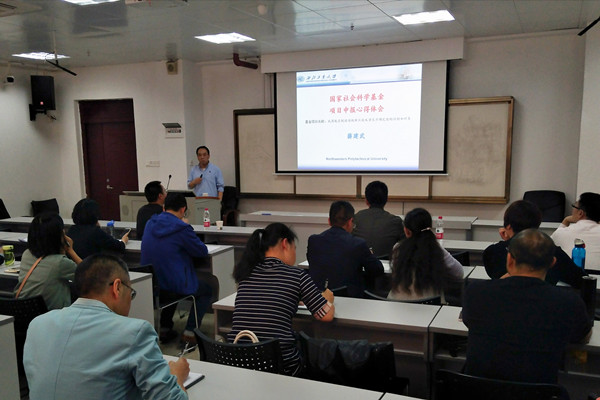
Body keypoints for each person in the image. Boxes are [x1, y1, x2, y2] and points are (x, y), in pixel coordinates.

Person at [23, 254, 189, 399]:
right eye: (131, 293)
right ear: (117, 288)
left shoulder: (37, 324)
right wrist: (177, 377)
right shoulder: (134, 332)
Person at [463, 229, 592, 384]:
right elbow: (582, 336)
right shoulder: (568, 302)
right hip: (539, 393)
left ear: (509, 260)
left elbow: (469, 322)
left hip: (476, 391)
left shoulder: (476, 292)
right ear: (552, 263)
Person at [229, 222, 334, 376]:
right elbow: (326, 315)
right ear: (285, 243)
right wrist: (328, 299)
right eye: (294, 248)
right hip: (280, 367)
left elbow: (266, 297)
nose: (295, 253)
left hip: (239, 361)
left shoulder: (246, 274)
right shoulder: (297, 276)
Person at [141, 192, 212, 343]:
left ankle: (165, 328)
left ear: (164, 208)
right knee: (206, 289)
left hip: (152, 286)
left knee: (168, 277)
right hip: (173, 286)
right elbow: (201, 251)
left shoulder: (150, 223)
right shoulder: (181, 228)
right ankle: (190, 333)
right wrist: (186, 225)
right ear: (183, 209)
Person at [484, 200, 586, 287]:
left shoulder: (492, 252)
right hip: (544, 302)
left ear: (508, 226)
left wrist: (508, 242)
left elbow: (495, 277)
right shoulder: (553, 251)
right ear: (538, 224)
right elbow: (580, 280)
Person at [307, 201, 384, 298]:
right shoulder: (358, 244)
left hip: (317, 297)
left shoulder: (313, 240)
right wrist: (369, 254)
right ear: (350, 222)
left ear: (329, 221)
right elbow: (377, 270)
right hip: (350, 298)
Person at [387, 208, 463, 301]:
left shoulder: (397, 249)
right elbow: (459, 272)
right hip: (431, 303)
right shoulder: (436, 249)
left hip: (397, 302)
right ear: (429, 228)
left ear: (406, 231)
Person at [14, 212, 82, 309]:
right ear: (59, 236)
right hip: (52, 315)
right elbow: (91, 276)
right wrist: (70, 250)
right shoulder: (60, 263)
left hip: (26, 312)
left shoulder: (27, 254)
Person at [353, 181, 405, 258]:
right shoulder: (396, 221)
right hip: (385, 264)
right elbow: (407, 245)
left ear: (366, 200)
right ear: (386, 200)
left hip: (358, 263)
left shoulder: (355, 219)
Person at [551, 192, 600, 269]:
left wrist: (566, 220)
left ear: (580, 213)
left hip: (569, 276)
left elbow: (549, 245)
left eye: (574, 206)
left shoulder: (562, 233)